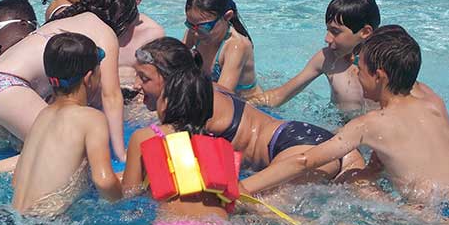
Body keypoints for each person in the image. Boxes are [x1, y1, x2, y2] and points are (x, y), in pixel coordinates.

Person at [239, 26, 449, 217]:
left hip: (431, 217)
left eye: (359, 66)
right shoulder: (432, 99)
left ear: (379, 76)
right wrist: (370, 172)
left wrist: (241, 187)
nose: (356, 73)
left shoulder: (368, 124)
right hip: (442, 203)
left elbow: (305, 161)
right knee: (355, 178)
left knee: (352, 187)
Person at [132, 37, 364, 183]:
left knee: (248, 216)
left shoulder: (190, 110)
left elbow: (165, 176)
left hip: (294, 152)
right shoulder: (211, 90)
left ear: (170, 80)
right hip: (328, 143)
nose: (136, 85)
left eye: (144, 78)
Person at [0, 0, 138, 161]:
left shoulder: (66, 20)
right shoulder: (104, 32)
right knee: (74, 154)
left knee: (7, 152)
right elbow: (111, 96)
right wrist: (121, 153)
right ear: (122, 14)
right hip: (5, 87)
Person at [0, 32, 122, 217]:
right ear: (89, 78)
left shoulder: (43, 116)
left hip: (9, 218)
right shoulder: (92, 118)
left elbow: (16, 179)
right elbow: (105, 181)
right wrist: (124, 202)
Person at [122, 65, 245, 225]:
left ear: (165, 103)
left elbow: (129, 192)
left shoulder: (144, 137)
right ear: (208, 109)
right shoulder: (218, 146)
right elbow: (238, 194)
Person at [248, 0, 380, 113]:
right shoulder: (327, 58)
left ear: (365, 32)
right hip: (338, 128)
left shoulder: (388, 66)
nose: (327, 39)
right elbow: (279, 96)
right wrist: (245, 105)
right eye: (327, 30)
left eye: (335, 32)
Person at [183, 0, 261, 97]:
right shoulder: (197, 28)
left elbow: (222, 96)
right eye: (190, 24)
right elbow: (173, 61)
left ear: (227, 16)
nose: (196, 33)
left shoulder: (236, 46)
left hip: (250, 105)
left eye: (204, 27)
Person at [97, 0, 165, 79]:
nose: (112, 11)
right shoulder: (95, 29)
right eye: (107, 3)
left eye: (120, 4)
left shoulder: (152, 35)